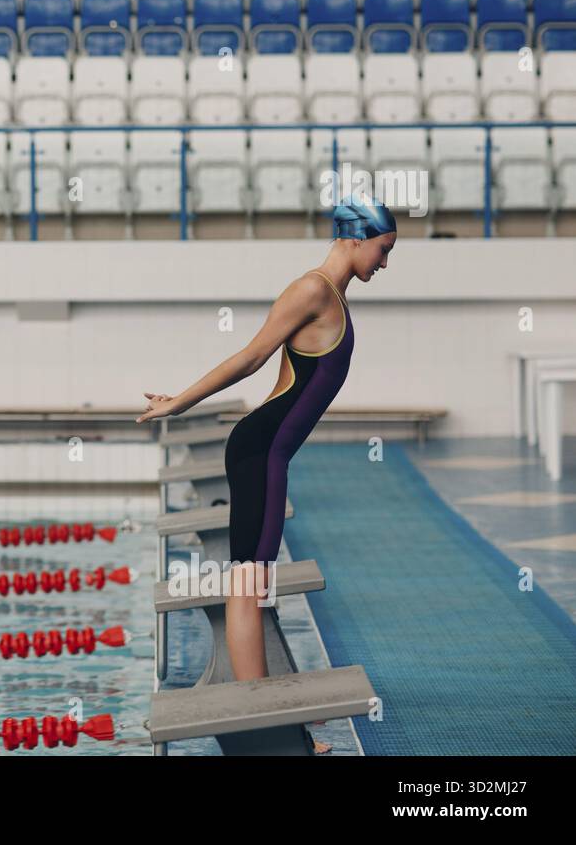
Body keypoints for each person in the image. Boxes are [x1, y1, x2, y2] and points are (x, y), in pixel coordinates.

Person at [136, 194, 397, 752]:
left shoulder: (334, 296)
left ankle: (272, 723)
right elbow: (252, 357)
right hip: (260, 453)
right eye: (383, 249)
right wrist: (180, 401)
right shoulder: (311, 290)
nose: (384, 262)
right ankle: (262, 729)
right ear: (356, 239)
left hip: (270, 454)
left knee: (253, 582)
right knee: (247, 585)